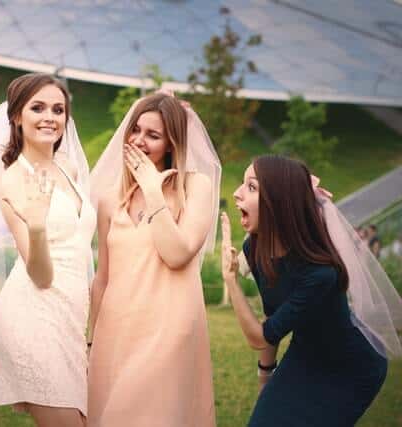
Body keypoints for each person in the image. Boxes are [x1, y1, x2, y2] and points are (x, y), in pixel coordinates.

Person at [0, 73, 94, 427]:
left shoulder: (69, 167)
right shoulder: (13, 180)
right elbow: (41, 275)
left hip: (71, 318)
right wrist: (37, 225)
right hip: (33, 316)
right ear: (16, 116)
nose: (50, 117)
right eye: (38, 108)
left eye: (58, 109)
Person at [221, 154, 401, 427]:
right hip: (304, 355)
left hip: (352, 369)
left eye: (251, 187)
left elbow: (259, 337)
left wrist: (231, 279)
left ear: (279, 203)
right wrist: (266, 378)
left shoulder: (320, 274)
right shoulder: (255, 247)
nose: (236, 193)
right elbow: (273, 318)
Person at [87, 93, 221, 427]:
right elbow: (103, 278)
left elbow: (177, 253)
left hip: (167, 331)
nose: (138, 141)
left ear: (172, 143)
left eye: (153, 135)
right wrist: (90, 341)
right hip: (114, 332)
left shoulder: (196, 187)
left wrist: (152, 188)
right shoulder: (109, 199)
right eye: (136, 130)